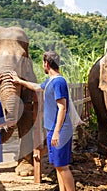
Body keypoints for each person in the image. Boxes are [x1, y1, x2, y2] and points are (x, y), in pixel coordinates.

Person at [8, 51, 75, 191]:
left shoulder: (59, 82)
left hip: (60, 130)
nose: (43, 65)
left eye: (43, 63)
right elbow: (38, 87)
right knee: (58, 166)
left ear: (47, 63)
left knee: (63, 167)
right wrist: (19, 81)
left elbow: (62, 108)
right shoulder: (50, 81)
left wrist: (56, 132)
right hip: (53, 129)